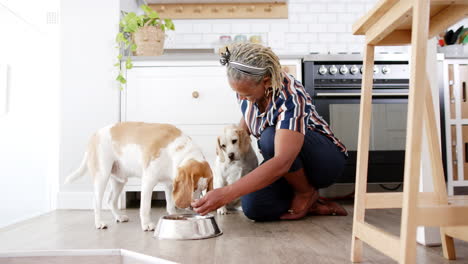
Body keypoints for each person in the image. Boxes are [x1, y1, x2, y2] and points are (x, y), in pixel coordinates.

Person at [192, 43, 348, 221]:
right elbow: (248, 121)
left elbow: (282, 160)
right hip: (291, 168)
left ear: (265, 81)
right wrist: (226, 156)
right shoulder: (246, 89)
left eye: (246, 94)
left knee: (269, 138)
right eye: (237, 92)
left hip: (323, 161)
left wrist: (226, 194)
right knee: (253, 207)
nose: (241, 98)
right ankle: (315, 203)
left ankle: (304, 193)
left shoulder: (291, 95)